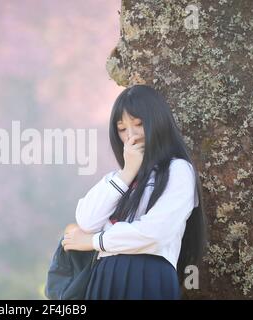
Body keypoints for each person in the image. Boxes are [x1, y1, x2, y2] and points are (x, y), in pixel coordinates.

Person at [61, 84, 207, 300]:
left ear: (158, 122)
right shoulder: (116, 179)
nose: (131, 135)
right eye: (122, 129)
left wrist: (94, 241)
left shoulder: (178, 170)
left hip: (148, 276)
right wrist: (128, 172)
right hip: (104, 280)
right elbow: (87, 220)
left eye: (139, 124)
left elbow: (155, 233)